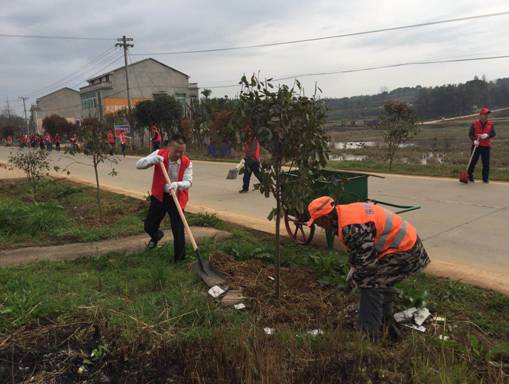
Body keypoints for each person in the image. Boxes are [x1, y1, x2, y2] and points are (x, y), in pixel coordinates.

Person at [306, 197, 430, 341]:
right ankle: (388, 330)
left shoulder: (351, 227)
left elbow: (367, 266)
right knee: (381, 284)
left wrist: (352, 283)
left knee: (371, 284)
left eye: (317, 221)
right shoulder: (342, 215)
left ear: (326, 217)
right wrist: (353, 269)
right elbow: (359, 251)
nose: (319, 225)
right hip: (400, 247)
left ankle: (368, 335)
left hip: (405, 251)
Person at [136, 134, 193, 262]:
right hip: (159, 197)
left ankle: (180, 259)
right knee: (149, 226)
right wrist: (152, 160)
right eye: (176, 151)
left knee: (178, 229)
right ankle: (156, 235)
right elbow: (138, 164)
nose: (179, 154)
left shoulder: (187, 162)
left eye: (182, 152)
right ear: (169, 147)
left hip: (176, 198)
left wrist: (177, 185)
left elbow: (188, 182)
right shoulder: (159, 154)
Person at [468, 107, 496, 183]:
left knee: (486, 163)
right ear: (480, 115)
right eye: (485, 114)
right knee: (473, 161)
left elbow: (493, 133)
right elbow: (470, 134)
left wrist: (488, 135)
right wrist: (474, 140)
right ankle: (469, 176)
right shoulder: (474, 123)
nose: (486, 116)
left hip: (486, 146)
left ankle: (485, 178)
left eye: (487, 114)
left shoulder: (490, 124)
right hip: (476, 145)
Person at [239, 128, 262, 193]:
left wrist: (246, 156)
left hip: (254, 161)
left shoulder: (254, 141)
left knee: (257, 174)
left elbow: (252, 151)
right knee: (246, 175)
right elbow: (245, 150)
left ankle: (266, 185)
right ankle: (245, 188)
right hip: (248, 161)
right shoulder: (247, 141)